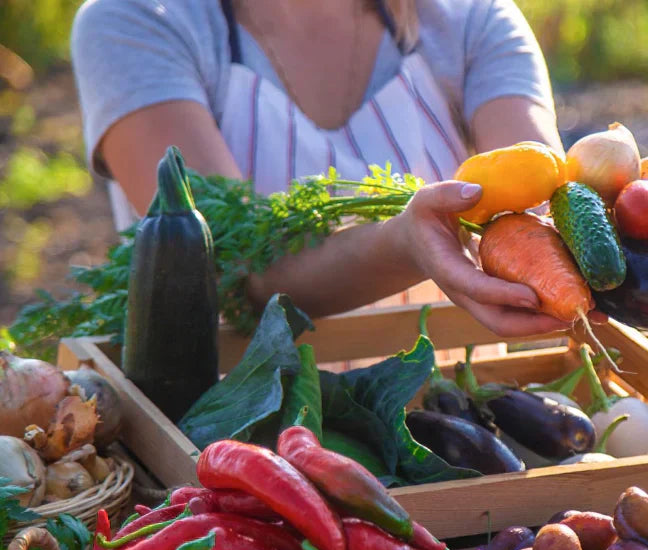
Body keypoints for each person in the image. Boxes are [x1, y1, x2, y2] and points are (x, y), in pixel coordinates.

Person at [71, 0, 570, 336]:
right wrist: (405, 243)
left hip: (465, 408)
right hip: (235, 439)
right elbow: (229, 267)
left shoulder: (470, 16)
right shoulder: (136, 21)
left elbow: (536, 193)